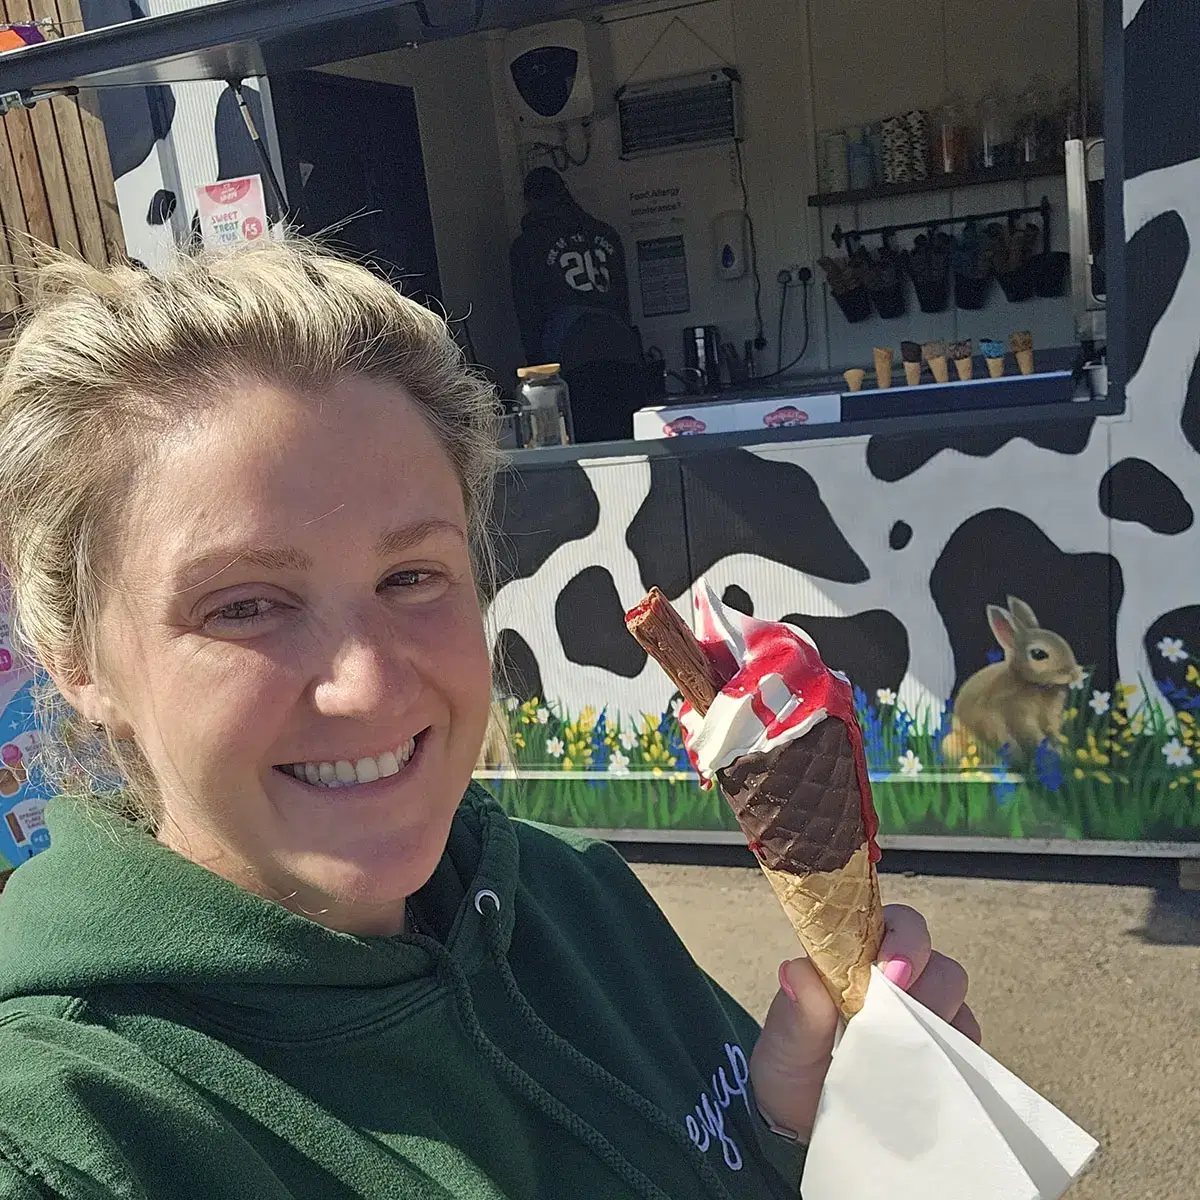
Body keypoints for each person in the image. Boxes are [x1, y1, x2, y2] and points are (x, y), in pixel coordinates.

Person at [0, 240, 976, 1199]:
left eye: (411, 576)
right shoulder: (71, 1135)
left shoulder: (571, 895)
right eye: (244, 605)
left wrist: (798, 1139)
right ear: (78, 658)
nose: (373, 685)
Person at [509, 168, 648, 443]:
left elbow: (528, 316)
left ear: (529, 201)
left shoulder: (527, 245)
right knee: (630, 446)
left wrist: (537, 377)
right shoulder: (606, 234)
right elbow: (623, 303)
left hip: (572, 360)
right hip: (624, 351)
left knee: (589, 450)